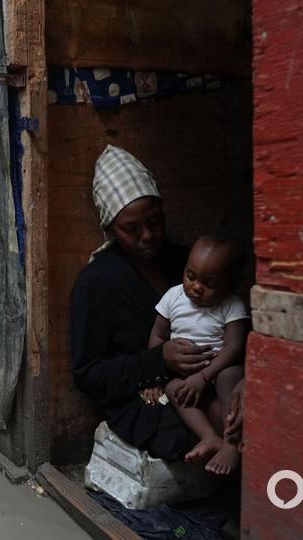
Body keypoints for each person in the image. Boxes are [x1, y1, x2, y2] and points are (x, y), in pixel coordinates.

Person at [71, 145, 221, 464]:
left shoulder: (187, 263)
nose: (148, 235)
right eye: (131, 229)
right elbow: (88, 375)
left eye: (155, 221)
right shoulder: (96, 283)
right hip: (144, 400)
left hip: (211, 377)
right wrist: (157, 360)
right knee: (199, 428)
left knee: (240, 410)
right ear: (110, 228)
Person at [145, 234, 249, 475]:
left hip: (216, 373)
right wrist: (155, 375)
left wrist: (203, 377)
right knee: (172, 389)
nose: (196, 287)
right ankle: (209, 437)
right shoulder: (173, 296)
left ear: (232, 283)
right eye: (190, 276)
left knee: (229, 377)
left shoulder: (231, 305)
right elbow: (157, 337)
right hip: (184, 375)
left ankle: (231, 442)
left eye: (210, 283)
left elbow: (234, 347)